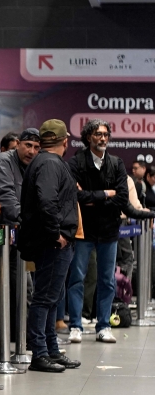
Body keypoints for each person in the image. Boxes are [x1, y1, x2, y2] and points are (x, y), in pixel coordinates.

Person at [17, 120, 80, 372]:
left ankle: (51, 350)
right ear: (65, 141)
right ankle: (40, 354)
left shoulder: (44, 163)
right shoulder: (50, 164)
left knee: (52, 298)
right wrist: (56, 234)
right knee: (44, 299)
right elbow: (47, 200)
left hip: (51, 241)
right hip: (51, 243)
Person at [66, 119, 128, 344]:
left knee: (107, 280)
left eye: (105, 134)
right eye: (97, 134)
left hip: (109, 230)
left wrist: (94, 197)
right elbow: (77, 197)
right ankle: (76, 325)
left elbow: (121, 197)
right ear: (88, 137)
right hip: (84, 230)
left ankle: (103, 326)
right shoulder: (76, 163)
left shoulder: (117, 163)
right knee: (77, 278)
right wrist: (106, 194)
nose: (102, 138)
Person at [0, 128, 40, 336]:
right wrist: (28, 221)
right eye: (27, 145)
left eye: (36, 147)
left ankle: (20, 337)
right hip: (0, 237)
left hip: (22, 236)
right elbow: (5, 196)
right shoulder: (3, 161)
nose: (31, 151)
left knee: (23, 287)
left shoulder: (35, 164)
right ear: (18, 143)